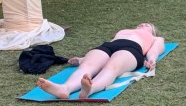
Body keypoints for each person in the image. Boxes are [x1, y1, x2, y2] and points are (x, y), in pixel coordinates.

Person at [36, 23, 164, 100]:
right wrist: (82, 59)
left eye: (147, 25)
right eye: (141, 23)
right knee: (87, 65)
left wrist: (151, 60)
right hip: (108, 46)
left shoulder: (155, 37)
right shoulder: (125, 31)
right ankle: (65, 88)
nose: (142, 25)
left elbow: (155, 50)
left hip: (132, 48)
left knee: (112, 67)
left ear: (153, 31)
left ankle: (90, 89)